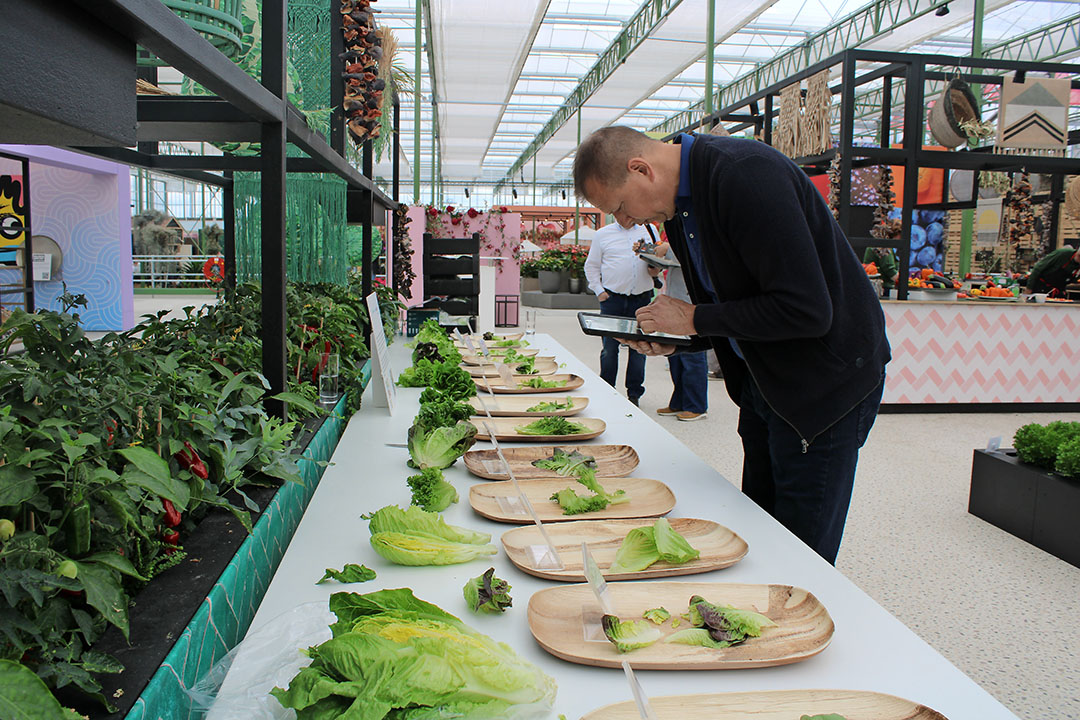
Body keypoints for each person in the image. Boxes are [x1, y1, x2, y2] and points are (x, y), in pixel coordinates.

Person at [573, 125, 890, 564]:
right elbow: (733, 299)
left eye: (621, 207)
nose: (626, 222)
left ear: (641, 169)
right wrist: (681, 339)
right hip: (763, 380)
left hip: (819, 388)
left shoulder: (746, 175)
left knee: (801, 552)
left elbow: (807, 310)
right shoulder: (680, 208)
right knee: (759, 531)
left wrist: (694, 318)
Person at [583, 222, 656, 406]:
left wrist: (656, 269)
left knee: (640, 349)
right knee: (609, 348)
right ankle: (607, 390)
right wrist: (599, 291)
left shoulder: (649, 230)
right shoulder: (603, 234)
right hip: (612, 299)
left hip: (641, 299)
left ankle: (634, 394)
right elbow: (591, 266)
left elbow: (657, 262)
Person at [651, 239, 708, 421]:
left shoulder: (694, 230)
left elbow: (693, 254)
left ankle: (696, 406)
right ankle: (679, 402)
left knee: (693, 359)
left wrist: (668, 249)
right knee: (677, 357)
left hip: (690, 305)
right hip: (676, 302)